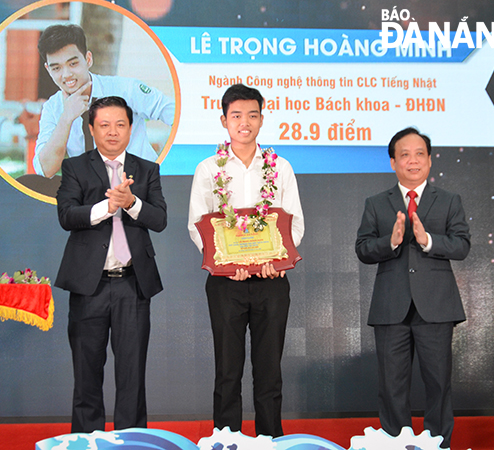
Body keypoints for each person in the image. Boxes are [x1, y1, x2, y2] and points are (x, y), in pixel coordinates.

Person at [188, 84, 304, 437]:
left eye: (252, 115)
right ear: (224, 120)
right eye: (236, 115)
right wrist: (225, 263)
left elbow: (294, 222)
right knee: (228, 371)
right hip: (226, 284)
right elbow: (198, 225)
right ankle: (227, 441)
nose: (245, 122)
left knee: (269, 372)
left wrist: (277, 260)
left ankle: (271, 441)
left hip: (271, 282)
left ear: (262, 119)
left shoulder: (280, 167)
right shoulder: (209, 169)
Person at [55, 96, 167, 432]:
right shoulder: (74, 167)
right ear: (91, 128)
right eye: (104, 125)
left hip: (133, 284)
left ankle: (131, 441)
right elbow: (66, 215)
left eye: (120, 124)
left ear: (131, 128)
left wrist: (131, 202)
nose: (113, 132)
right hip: (89, 285)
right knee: (86, 374)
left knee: (132, 376)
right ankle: (86, 441)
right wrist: (106, 207)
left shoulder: (147, 169)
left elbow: (159, 219)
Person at [355, 127, 471, 449]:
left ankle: (438, 445)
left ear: (430, 160)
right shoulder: (377, 203)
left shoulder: (449, 201)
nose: (413, 160)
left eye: (419, 153)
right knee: (392, 386)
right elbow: (363, 249)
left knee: (438, 385)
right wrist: (389, 242)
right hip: (391, 307)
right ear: (393, 162)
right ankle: (394, 444)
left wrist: (428, 240)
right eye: (404, 154)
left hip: (436, 307)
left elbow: (462, 245)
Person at [34, 24, 174, 177]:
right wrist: (66, 118)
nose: (66, 74)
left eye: (73, 64)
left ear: (88, 59)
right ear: (48, 69)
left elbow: (176, 115)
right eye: (56, 68)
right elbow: (46, 170)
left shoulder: (125, 89)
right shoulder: (52, 108)